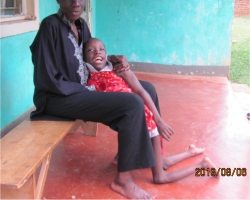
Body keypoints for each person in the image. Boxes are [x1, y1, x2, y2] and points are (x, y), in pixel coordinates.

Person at [30, 0, 159, 200]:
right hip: (56, 97)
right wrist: (85, 89)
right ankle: (123, 181)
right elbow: (46, 76)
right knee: (130, 103)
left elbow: (90, 58)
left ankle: (153, 156)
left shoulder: (81, 25)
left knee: (146, 88)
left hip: (82, 90)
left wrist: (115, 62)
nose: (76, 2)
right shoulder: (49, 26)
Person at [84, 37, 219, 184]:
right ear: (84, 56)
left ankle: (202, 166)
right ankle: (190, 152)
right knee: (162, 162)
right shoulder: (89, 76)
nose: (97, 52)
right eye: (91, 50)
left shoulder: (119, 70)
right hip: (135, 119)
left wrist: (159, 121)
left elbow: (141, 91)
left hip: (147, 122)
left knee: (160, 177)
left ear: (107, 54)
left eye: (101, 49)